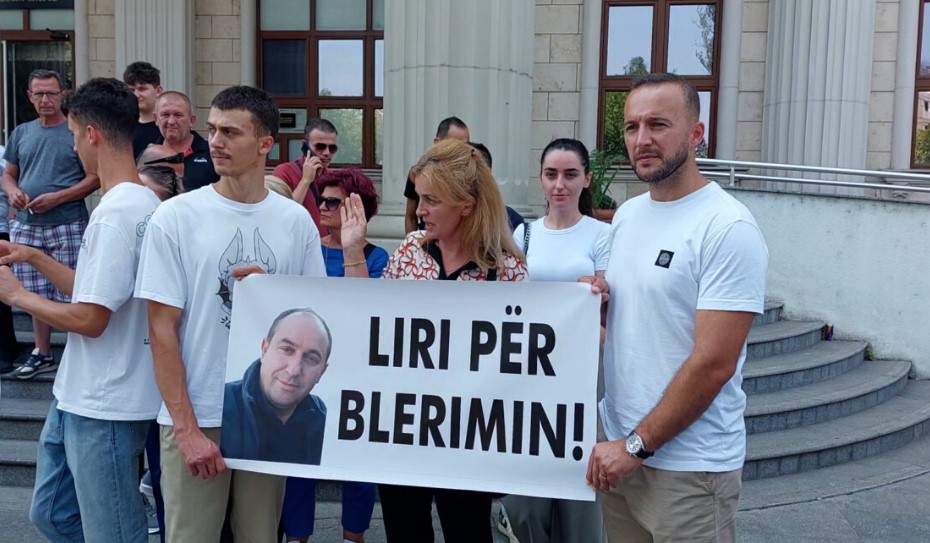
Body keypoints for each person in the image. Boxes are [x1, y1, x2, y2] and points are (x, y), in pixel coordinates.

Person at [135, 85, 326, 542]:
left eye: (231, 132)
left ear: (265, 143)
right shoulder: (176, 217)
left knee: (261, 536)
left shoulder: (295, 221)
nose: (215, 142)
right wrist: (186, 429)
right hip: (198, 410)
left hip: (268, 415)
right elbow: (161, 330)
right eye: (213, 129)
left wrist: (269, 293)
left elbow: (313, 320)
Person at [584, 73, 768, 542]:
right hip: (619, 451)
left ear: (695, 134)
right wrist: (599, 304)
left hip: (689, 470)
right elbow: (642, 317)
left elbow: (714, 363)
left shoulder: (727, 227)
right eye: (631, 127)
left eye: (658, 125)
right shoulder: (628, 215)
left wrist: (635, 446)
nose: (642, 139)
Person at [0, 77, 161, 542]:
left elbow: (91, 319)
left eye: (72, 134)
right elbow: (97, 292)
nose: (72, 145)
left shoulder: (115, 214)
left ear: (91, 134)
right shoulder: (137, 202)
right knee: (51, 515)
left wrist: (17, 296)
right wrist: (33, 257)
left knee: (112, 532)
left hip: (105, 400)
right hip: (82, 392)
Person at [342, 138, 526, 543]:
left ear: (467, 204)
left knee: (468, 531)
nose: (419, 210)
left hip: (467, 434)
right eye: (420, 198)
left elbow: (519, 357)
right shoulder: (411, 250)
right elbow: (368, 319)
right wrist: (353, 249)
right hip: (404, 426)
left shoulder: (506, 269)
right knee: (404, 529)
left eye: (431, 200)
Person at [496, 138, 609, 543]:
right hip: (531, 369)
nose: (560, 184)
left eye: (570, 174)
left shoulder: (602, 234)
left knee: (580, 477)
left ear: (586, 179)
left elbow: (609, 302)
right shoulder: (524, 234)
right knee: (528, 484)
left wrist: (599, 292)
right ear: (541, 179)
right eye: (551, 174)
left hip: (583, 367)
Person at [281, 168, 387, 543]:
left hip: (356, 371)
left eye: (332, 202)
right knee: (299, 461)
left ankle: (353, 535)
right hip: (306, 371)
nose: (322, 206)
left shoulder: (377, 257)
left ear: (357, 207)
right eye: (321, 199)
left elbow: (367, 309)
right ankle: (297, 536)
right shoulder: (308, 248)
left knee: (357, 461)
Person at [1, 69, 100, 380]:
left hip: (68, 223)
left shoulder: (75, 131)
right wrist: (12, 192)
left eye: (51, 93)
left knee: (75, 289)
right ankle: (42, 352)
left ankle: (77, 354)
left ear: (63, 95)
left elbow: (95, 178)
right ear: (29, 96)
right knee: (34, 291)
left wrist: (58, 197)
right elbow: (8, 174)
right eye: (39, 93)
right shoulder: (21, 132)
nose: (45, 99)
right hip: (27, 224)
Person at [221, 308, 331, 465]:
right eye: (287, 350)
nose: (293, 370)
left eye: (311, 358)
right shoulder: (219, 406)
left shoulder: (326, 423)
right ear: (264, 350)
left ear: (322, 372)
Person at [404, 116, 470, 233]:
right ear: (437, 143)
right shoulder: (419, 175)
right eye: (454, 145)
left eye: (465, 146)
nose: (460, 151)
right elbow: (411, 217)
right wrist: (412, 242)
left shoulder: (471, 176)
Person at [271, 117, 339, 230]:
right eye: (320, 147)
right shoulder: (284, 171)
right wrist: (306, 180)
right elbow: (283, 215)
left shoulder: (333, 177)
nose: (327, 153)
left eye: (332, 148)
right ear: (304, 145)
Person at [154, 90, 219, 191]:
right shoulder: (147, 156)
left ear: (191, 120)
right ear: (156, 119)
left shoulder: (213, 153)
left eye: (178, 115)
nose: (171, 121)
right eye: (165, 115)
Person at [0, 147, 19, 375]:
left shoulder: (2, 155)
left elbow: (11, 190)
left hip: (0, 229)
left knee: (1, 295)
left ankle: (5, 349)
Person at [124, 61, 164, 158]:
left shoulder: (168, 126)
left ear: (158, 91)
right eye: (132, 90)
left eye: (142, 89)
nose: (136, 95)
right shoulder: (123, 127)